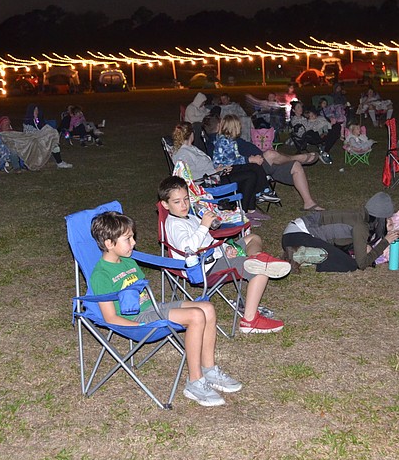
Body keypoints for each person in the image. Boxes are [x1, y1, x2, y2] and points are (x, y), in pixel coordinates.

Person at [89, 210, 242, 407]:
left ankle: (209, 369)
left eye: (133, 237)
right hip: (137, 319)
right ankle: (194, 382)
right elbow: (110, 318)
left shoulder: (129, 261)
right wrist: (141, 325)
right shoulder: (100, 275)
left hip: (153, 307)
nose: (134, 242)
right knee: (196, 316)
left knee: (207, 308)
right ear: (109, 244)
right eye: (128, 239)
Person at [159, 176, 289, 334]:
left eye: (186, 199)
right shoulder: (174, 224)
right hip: (203, 267)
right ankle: (249, 320)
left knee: (253, 239)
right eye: (177, 201)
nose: (184, 204)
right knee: (260, 270)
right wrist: (204, 226)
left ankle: (257, 257)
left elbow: (209, 241)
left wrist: (226, 248)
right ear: (165, 204)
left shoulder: (190, 217)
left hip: (215, 255)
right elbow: (188, 247)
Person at [171, 122, 268, 222]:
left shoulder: (191, 148)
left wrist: (220, 169)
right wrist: (215, 171)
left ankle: (251, 210)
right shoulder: (182, 154)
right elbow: (190, 176)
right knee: (250, 176)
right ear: (191, 134)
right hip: (206, 184)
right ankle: (242, 214)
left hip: (215, 176)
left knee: (251, 168)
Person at [281, 192, 399, 272]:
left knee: (341, 255)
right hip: (298, 236)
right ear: (380, 219)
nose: (390, 221)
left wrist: (367, 246)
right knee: (350, 264)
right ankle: (299, 255)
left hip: (293, 233)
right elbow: (362, 264)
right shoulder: (360, 226)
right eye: (387, 218)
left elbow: (344, 241)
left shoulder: (360, 218)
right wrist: (385, 242)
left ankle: (305, 254)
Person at [211, 115, 281, 213]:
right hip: (225, 170)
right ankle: (263, 189)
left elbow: (237, 157)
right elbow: (231, 161)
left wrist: (251, 159)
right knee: (253, 167)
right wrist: (249, 159)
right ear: (234, 127)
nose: (240, 128)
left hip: (231, 167)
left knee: (254, 167)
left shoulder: (231, 140)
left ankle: (262, 191)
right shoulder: (224, 141)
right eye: (239, 126)